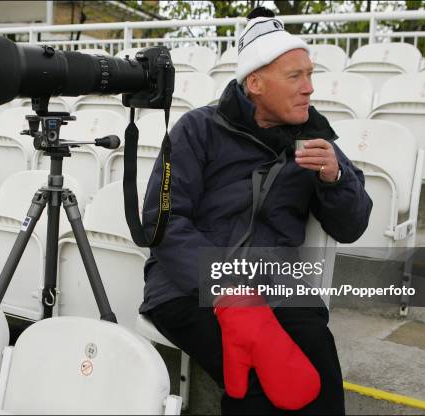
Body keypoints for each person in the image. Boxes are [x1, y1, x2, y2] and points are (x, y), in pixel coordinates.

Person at [140, 7, 373, 415]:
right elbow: (162, 218)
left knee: (321, 383)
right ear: (256, 83)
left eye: (311, 74)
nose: (310, 89)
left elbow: (351, 226)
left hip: (279, 285)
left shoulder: (317, 142)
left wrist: (336, 179)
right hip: (191, 287)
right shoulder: (197, 129)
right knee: (257, 388)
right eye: (295, 76)